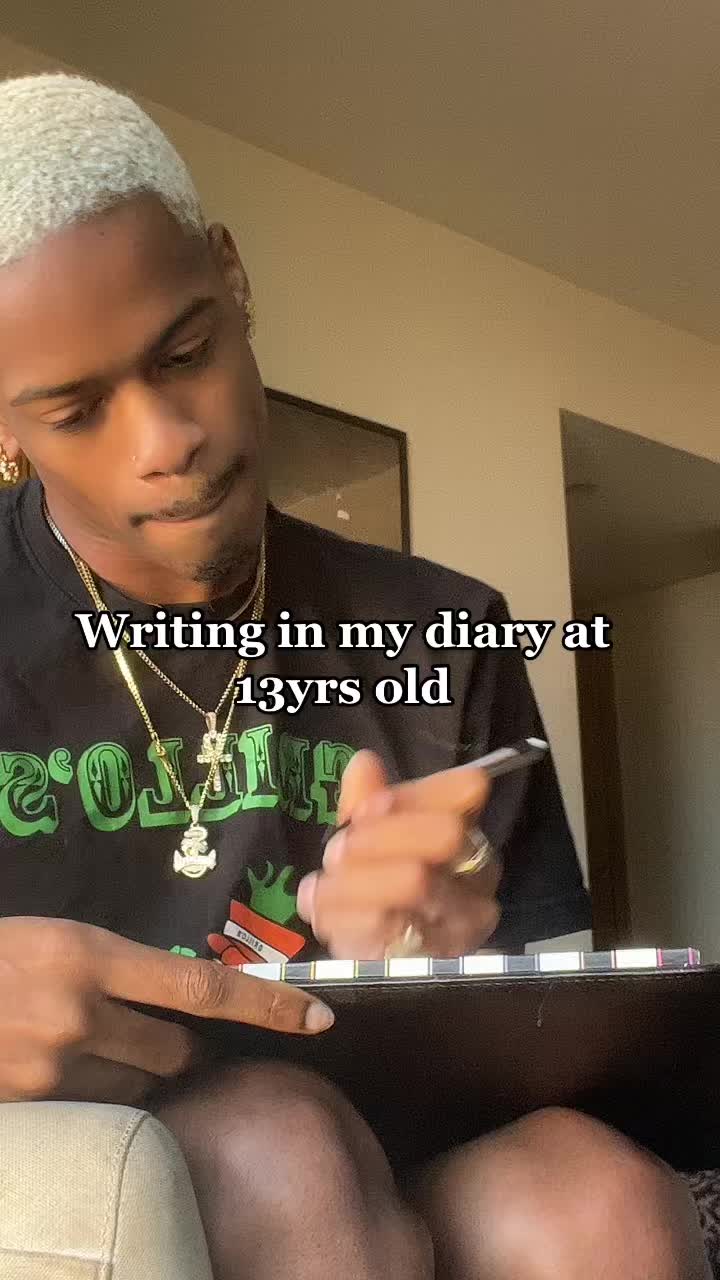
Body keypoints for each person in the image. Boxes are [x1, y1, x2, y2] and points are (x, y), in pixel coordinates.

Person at [0, 70, 713, 1280]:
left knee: (599, 1204)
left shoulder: (447, 629)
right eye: (76, 410)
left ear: (233, 279)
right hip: (97, 1150)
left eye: (186, 352)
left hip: (405, 1129)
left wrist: (452, 952)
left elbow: (555, 1030)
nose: (166, 441)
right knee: (282, 1149)